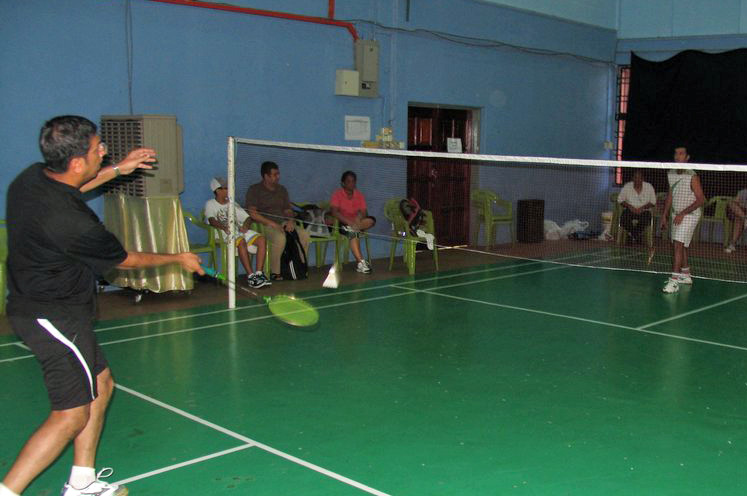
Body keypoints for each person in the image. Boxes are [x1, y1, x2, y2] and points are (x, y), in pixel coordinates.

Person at [1, 116, 204, 496]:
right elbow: (125, 259)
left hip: (51, 308)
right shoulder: (72, 224)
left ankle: (81, 483)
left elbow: (77, 186)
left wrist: (119, 168)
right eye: (99, 149)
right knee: (70, 415)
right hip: (51, 315)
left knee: (102, 383)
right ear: (77, 160)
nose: (104, 151)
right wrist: (178, 257)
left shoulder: (32, 179)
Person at [244, 161, 310, 280]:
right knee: (280, 237)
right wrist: (272, 224)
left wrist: (290, 220)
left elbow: (288, 210)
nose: (278, 177)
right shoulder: (254, 190)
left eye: (278, 174)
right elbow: (253, 213)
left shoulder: (282, 190)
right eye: (274, 174)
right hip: (264, 224)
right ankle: (275, 272)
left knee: (304, 235)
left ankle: (300, 266)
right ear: (266, 176)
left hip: (283, 222)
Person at [204, 177, 270, 288]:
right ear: (217, 190)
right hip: (223, 233)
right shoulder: (210, 204)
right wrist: (223, 227)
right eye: (225, 188)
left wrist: (245, 225)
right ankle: (251, 276)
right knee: (241, 242)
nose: (228, 190)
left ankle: (259, 274)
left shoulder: (232, 203)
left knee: (262, 239)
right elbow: (211, 220)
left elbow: (247, 218)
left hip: (238, 231)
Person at [659, 145, 705, 294]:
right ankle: (685, 274)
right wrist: (664, 215)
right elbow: (671, 195)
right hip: (676, 213)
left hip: (690, 215)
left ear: (687, 158)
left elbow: (701, 200)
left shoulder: (692, 176)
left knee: (678, 244)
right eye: (676, 153)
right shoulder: (671, 173)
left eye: (681, 154)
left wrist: (683, 213)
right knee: (681, 245)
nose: (678, 156)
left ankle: (674, 281)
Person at [329, 171, 377, 273]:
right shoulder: (337, 194)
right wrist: (348, 222)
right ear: (343, 183)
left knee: (371, 220)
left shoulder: (359, 195)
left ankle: (354, 228)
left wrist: (358, 218)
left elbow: (364, 212)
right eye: (349, 181)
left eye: (353, 181)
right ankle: (361, 262)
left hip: (356, 223)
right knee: (353, 233)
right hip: (342, 224)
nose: (352, 184)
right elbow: (334, 212)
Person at [617, 169, 657, 244]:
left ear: (643, 179)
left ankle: (632, 235)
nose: (637, 180)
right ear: (633, 178)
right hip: (630, 210)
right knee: (624, 218)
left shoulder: (649, 187)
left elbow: (653, 202)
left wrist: (643, 207)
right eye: (635, 177)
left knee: (646, 219)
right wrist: (630, 207)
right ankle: (636, 236)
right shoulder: (627, 186)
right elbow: (620, 200)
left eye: (639, 178)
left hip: (644, 211)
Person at [724, 188, 747, 254]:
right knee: (731, 203)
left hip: (742, 214)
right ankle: (745, 219)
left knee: (738, 219)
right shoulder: (743, 192)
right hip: (741, 213)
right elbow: (735, 202)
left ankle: (732, 244)